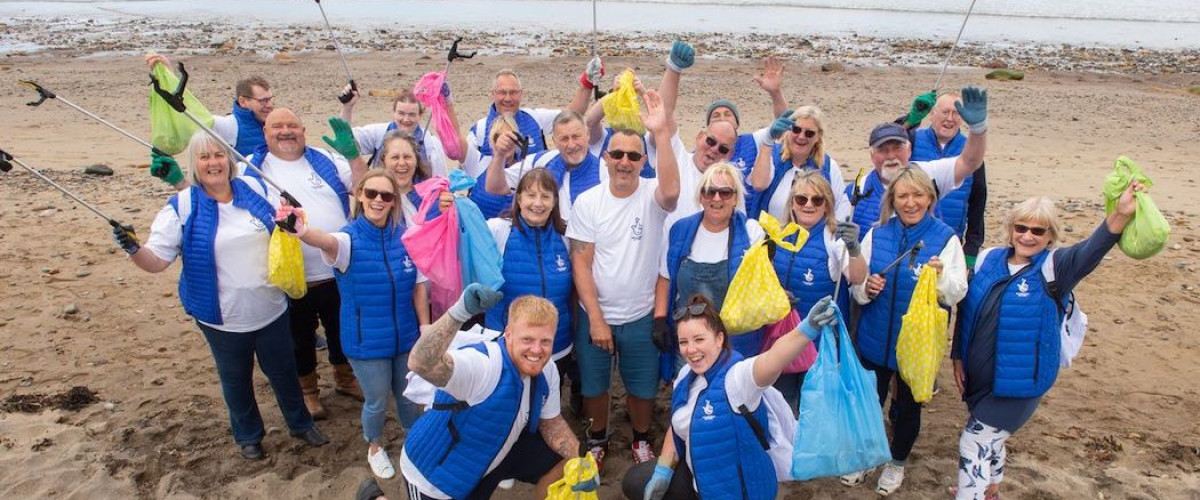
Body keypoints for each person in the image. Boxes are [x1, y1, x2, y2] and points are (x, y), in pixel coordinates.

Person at [111, 132, 327, 460]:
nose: (213, 163)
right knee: (235, 379)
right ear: (195, 166)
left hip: (271, 309)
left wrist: (293, 217)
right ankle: (248, 435)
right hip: (222, 319)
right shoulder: (182, 206)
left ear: (229, 160)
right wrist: (133, 247)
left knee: (284, 372)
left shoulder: (256, 188)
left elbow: (289, 221)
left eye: (219, 155)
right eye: (204, 157)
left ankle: (299, 423)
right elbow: (155, 262)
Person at [951, 185, 1143, 500]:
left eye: (1038, 231)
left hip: (1020, 384)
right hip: (979, 378)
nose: (1028, 236)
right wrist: (958, 356)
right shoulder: (988, 259)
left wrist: (1120, 214)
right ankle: (989, 489)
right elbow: (967, 310)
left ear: (1050, 236)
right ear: (1010, 229)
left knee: (974, 442)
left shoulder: (1056, 267)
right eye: (1021, 227)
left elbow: (1092, 248)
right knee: (991, 439)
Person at [276, 169, 450, 479]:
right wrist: (301, 230)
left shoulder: (406, 236)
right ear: (359, 195)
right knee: (377, 399)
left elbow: (419, 286)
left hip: (405, 336)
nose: (378, 201)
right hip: (365, 340)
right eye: (371, 193)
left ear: (394, 201)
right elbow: (326, 241)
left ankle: (414, 440)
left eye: (386, 195)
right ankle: (375, 445)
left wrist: (424, 327)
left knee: (408, 394)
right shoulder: (348, 238)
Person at [621, 294, 837, 500]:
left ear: (719, 339)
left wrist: (807, 329)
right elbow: (679, 425)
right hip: (702, 483)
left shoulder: (738, 379)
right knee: (635, 480)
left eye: (699, 339)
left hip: (740, 492)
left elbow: (773, 358)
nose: (691, 349)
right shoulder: (686, 375)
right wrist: (663, 472)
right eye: (683, 342)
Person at [567, 90, 680, 469]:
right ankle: (597, 438)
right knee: (596, 388)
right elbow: (581, 262)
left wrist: (660, 133)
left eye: (634, 155)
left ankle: (641, 439)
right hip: (597, 314)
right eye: (617, 154)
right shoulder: (588, 202)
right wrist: (596, 318)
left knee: (642, 387)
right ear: (606, 158)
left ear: (643, 161)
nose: (625, 162)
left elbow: (673, 191)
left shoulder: (652, 194)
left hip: (641, 313)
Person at [844, 167, 969, 495]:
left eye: (918, 195)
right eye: (903, 196)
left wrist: (940, 276)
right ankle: (868, 457)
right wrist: (868, 288)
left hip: (917, 346)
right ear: (893, 200)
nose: (910, 202)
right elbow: (857, 288)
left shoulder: (945, 238)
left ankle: (896, 463)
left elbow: (957, 291)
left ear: (930, 198)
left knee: (909, 409)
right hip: (875, 339)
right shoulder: (878, 233)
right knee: (870, 403)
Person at [402, 287, 587, 500]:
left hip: (497, 445)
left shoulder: (548, 369)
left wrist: (581, 460)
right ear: (508, 335)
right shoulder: (484, 365)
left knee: (566, 464)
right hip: (438, 473)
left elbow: (551, 422)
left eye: (545, 341)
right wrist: (459, 312)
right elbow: (420, 363)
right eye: (527, 339)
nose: (537, 350)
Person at [243, 108, 369, 419]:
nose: (286, 132)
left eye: (292, 126)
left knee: (342, 329)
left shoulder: (324, 159)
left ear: (303, 129)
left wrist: (353, 156)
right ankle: (309, 390)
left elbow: (363, 188)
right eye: (278, 127)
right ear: (265, 133)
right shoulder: (249, 168)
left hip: (337, 268)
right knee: (299, 337)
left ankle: (344, 378)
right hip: (293, 274)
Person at [769, 171, 867, 413]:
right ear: (792, 203)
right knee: (782, 402)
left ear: (827, 205)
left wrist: (854, 250)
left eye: (817, 199)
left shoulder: (834, 238)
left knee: (814, 408)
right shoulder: (778, 235)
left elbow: (857, 277)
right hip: (783, 338)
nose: (809, 205)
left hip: (820, 341)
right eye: (802, 199)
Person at [847, 86, 990, 238]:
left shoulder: (928, 174)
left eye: (897, 148)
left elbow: (970, 163)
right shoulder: (856, 189)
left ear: (909, 151)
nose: (891, 156)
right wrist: (911, 119)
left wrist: (978, 129)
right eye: (882, 150)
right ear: (872, 155)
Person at [655, 162, 765, 358]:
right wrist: (660, 319)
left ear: (735, 199)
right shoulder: (680, 230)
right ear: (700, 196)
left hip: (734, 342)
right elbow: (665, 278)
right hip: (689, 343)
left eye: (725, 193)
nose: (716, 198)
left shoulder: (751, 232)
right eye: (709, 191)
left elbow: (761, 284)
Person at [483, 168, 576, 401]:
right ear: (519, 198)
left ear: (555, 201)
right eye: (531, 195)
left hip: (556, 344)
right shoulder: (498, 230)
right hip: (508, 347)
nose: (538, 203)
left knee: (546, 404)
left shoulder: (565, 237)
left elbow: (574, 291)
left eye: (545, 196)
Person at [464, 67, 594, 175]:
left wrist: (587, 82)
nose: (508, 98)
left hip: (533, 198)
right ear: (493, 94)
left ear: (521, 94)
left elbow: (573, 114)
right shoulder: (479, 131)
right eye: (502, 92)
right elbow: (466, 174)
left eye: (513, 92)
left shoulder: (535, 118)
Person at [911, 92, 988, 267]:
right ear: (932, 114)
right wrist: (912, 119)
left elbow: (978, 202)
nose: (950, 119)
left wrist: (971, 251)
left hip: (950, 241)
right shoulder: (913, 140)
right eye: (945, 112)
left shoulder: (971, 151)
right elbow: (887, 146)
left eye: (956, 113)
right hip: (912, 237)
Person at [484, 111, 605, 221]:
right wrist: (499, 155)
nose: (571, 145)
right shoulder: (540, 161)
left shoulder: (604, 172)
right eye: (564, 139)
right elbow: (495, 187)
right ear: (554, 141)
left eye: (576, 137)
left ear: (587, 135)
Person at [144, 54, 273, 156]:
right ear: (243, 101)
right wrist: (166, 73)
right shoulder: (228, 126)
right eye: (263, 101)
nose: (269, 105)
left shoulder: (279, 125)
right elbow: (187, 116)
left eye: (270, 99)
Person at [748, 105, 852, 222]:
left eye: (809, 133)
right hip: (770, 237)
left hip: (811, 238)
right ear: (787, 130)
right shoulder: (771, 156)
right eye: (796, 130)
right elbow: (758, 184)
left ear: (818, 137)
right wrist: (768, 141)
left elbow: (841, 208)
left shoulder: (828, 167)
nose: (801, 137)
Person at [340, 87, 467, 177]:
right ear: (393, 113)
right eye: (401, 113)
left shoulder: (431, 144)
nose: (406, 120)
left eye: (412, 114)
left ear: (421, 115)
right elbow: (346, 141)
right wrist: (347, 107)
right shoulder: (378, 133)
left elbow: (441, 180)